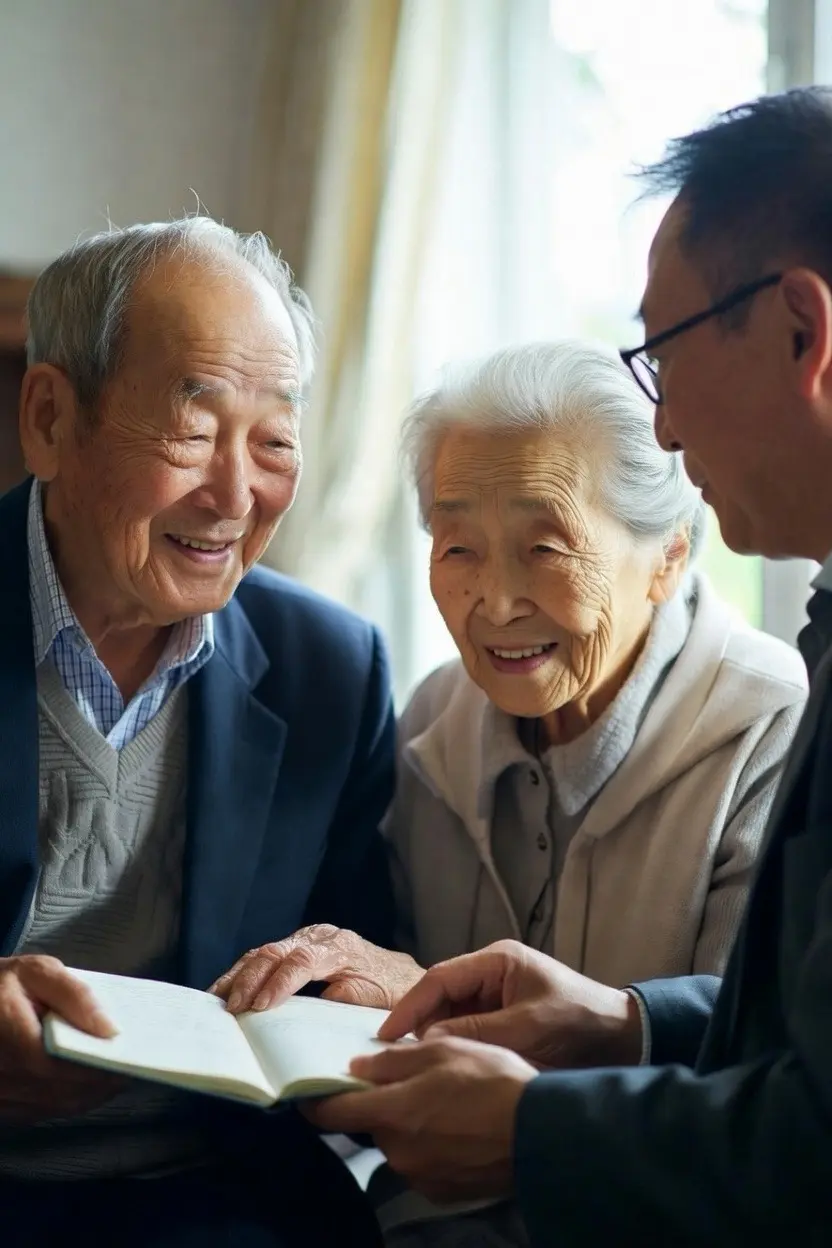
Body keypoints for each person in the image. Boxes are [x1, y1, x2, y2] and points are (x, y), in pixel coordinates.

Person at [303, 86, 832, 1245]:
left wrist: (543, 1122)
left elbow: (795, 1119)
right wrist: (611, 1023)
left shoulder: (768, 720)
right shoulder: (428, 723)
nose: (673, 430)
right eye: (453, 548)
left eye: (670, 355)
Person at [0, 217, 394, 1247]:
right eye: (191, 430)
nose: (234, 495)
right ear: (49, 418)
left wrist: (352, 979)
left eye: (273, 441)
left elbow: (371, 962)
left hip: (208, 1189)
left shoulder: (331, 669)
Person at [214, 340, 805, 1002]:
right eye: (459, 548)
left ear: (668, 556)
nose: (496, 603)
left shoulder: (774, 732)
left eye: (544, 548)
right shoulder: (435, 720)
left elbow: (749, 1062)